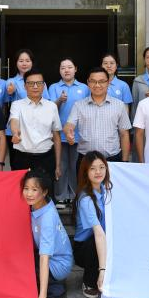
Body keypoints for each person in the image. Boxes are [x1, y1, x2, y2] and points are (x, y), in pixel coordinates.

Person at [22, 170, 72, 298]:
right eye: (26, 188)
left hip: (58, 264)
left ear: (44, 192)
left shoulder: (47, 218)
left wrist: (42, 297)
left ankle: (54, 288)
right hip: (51, 256)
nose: (29, 194)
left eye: (34, 189)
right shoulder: (39, 204)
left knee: (25, 271)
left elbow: (44, 257)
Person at [64, 67, 131, 164]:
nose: (97, 85)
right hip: (85, 160)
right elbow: (69, 125)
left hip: (112, 160)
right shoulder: (78, 105)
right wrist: (68, 133)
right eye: (93, 81)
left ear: (108, 83)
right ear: (88, 83)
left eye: (102, 81)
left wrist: (125, 161)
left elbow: (124, 134)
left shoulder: (119, 105)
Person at [48, 58, 90, 208]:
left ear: (75, 69)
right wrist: (59, 100)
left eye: (69, 67)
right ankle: (60, 196)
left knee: (75, 166)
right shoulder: (54, 87)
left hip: (79, 134)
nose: (66, 70)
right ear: (59, 70)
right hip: (58, 134)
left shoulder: (84, 88)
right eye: (63, 67)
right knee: (60, 165)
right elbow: (49, 109)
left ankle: (74, 196)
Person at [10, 69, 62, 188]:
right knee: (22, 193)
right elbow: (14, 121)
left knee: (46, 192)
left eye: (39, 83)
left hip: (46, 158)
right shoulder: (17, 105)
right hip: (22, 158)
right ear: (25, 86)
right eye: (30, 83)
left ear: (44, 86)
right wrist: (15, 133)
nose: (35, 86)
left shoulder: (52, 107)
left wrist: (58, 165)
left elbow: (57, 137)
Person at [72, 151, 110, 298]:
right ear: (85, 172)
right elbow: (98, 234)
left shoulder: (107, 190)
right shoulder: (86, 199)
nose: (98, 172)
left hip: (104, 239)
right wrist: (103, 270)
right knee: (96, 240)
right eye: (93, 168)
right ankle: (89, 281)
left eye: (101, 167)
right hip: (85, 248)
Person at [130, 45, 149, 120]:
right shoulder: (138, 81)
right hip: (141, 120)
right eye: (147, 57)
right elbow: (134, 104)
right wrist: (134, 123)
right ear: (144, 59)